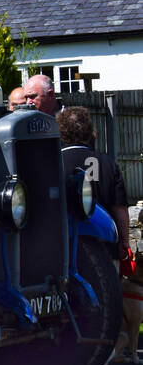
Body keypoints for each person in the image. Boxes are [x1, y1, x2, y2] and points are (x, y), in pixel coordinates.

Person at [58, 105, 131, 260]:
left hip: (66, 249)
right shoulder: (107, 163)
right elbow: (120, 208)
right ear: (90, 131)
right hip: (106, 247)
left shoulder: (54, 163)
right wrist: (125, 242)